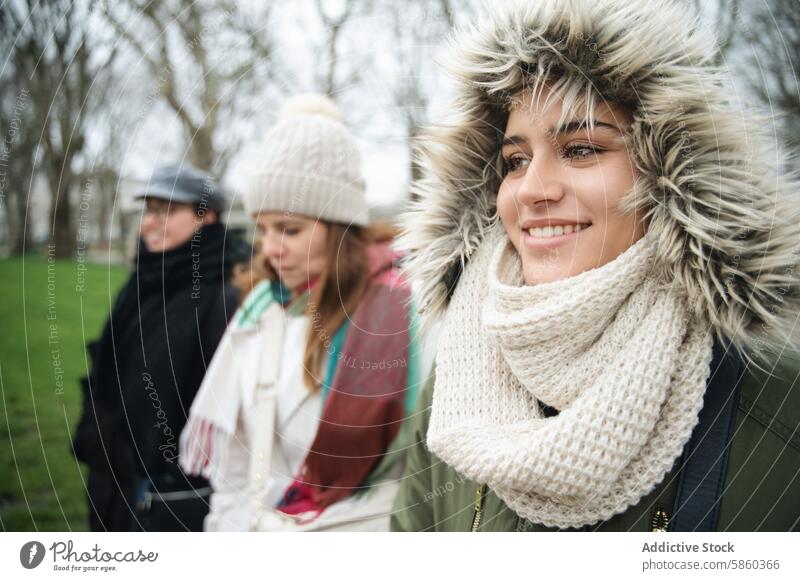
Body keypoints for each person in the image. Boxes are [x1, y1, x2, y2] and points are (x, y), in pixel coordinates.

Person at [391, 0, 800, 531]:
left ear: (667, 173)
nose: (533, 190)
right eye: (515, 161)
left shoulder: (774, 402)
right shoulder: (453, 386)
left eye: (581, 149)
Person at [179, 95, 424, 531]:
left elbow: (417, 473)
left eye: (290, 230)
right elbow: (235, 468)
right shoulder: (258, 312)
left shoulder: (403, 309)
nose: (272, 248)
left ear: (339, 227)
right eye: (264, 229)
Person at [72, 164, 243, 531]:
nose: (149, 223)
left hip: (174, 501)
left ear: (206, 216)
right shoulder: (143, 281)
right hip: (114, 482)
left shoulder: (226, 296)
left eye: (165, 211)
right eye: (147, 211)